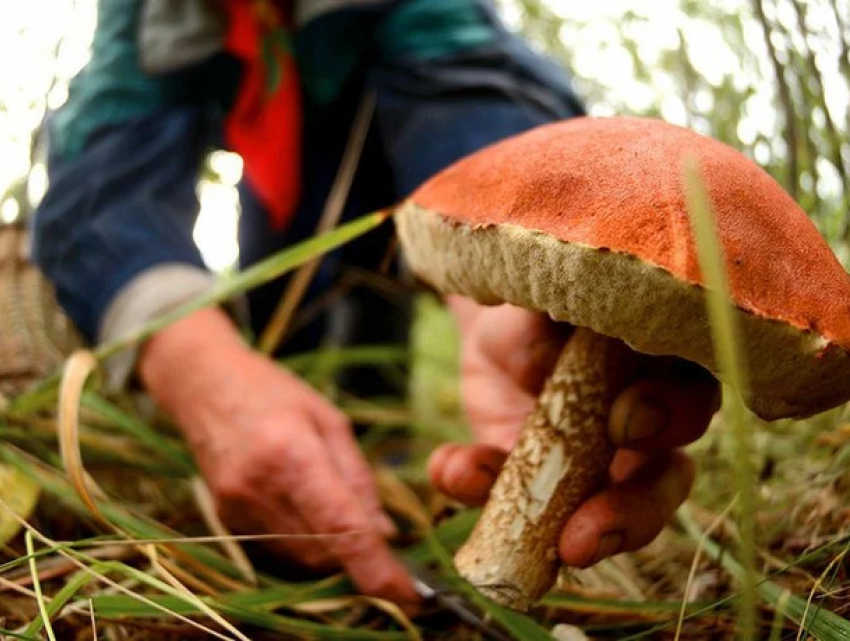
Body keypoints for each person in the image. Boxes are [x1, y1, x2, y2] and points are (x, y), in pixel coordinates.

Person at [32, 0, 719, 609]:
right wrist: (200, 371)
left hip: (385, 191)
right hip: (273, 195)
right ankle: (288, 516)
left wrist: (513, 291)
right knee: (277, 340)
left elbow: (469, 81)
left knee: (372, 354)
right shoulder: (149, 14)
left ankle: (381, 489)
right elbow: (104, 170)